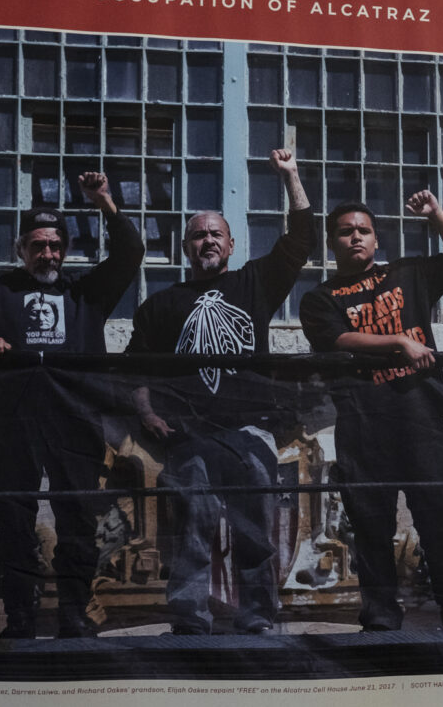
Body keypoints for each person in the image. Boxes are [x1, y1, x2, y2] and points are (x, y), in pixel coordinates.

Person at [126, 148, 313, 635]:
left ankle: (258, 619)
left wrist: (290, 176)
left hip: (251, 432)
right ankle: (189, 622)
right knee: (191, 529)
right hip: (190, 436)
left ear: (231, 245)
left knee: (257, 532)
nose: (206, 240)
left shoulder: (255, 282)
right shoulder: (159, 306)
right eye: (197, 235)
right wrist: (147, 414)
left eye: (215, 234)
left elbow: (301, 240)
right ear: (185, 247)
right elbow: (136, 372)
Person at [0, 172, 144, 638]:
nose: (48, 254)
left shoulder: (86, 294)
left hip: (74, 423)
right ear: (21, 249)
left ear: (64, 248)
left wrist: (104, 199)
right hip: (13, 429)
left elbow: (130, 254)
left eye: (55, 245)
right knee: (14, 522)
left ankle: (73, 614)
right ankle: (20, 619)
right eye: (38, 245)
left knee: (78, 518)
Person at [299, 190, 443, 631]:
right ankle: (382, 619)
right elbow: (339, 340)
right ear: (333, 242)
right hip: (362, 425)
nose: (355, 238)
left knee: (440, 520)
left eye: (363, 230)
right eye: (345, 232)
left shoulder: (407, 275)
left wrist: (436, 214)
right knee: (371, 529)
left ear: (376, 240)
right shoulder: (320, 299)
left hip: (420, 418)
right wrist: (399, 341)